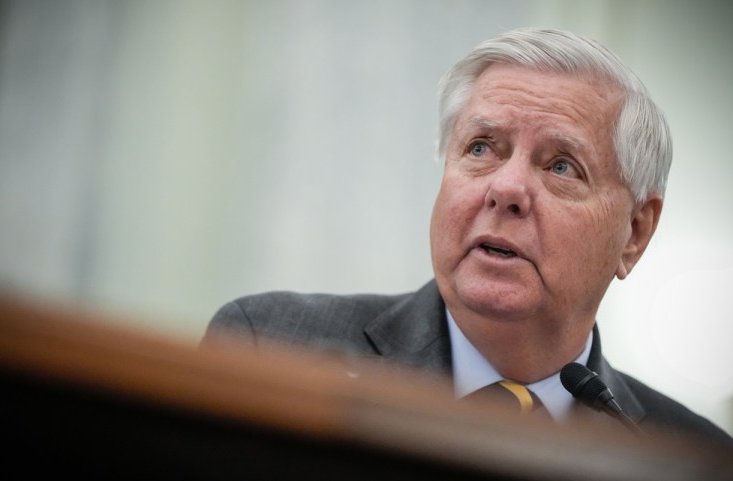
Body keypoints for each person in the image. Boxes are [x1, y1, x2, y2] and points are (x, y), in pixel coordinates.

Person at [202, 27, 732, 446]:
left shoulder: (690, 456)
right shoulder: (270, 348)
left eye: (561, 166)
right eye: (481, 148)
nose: (506, 189)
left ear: (634, 233)